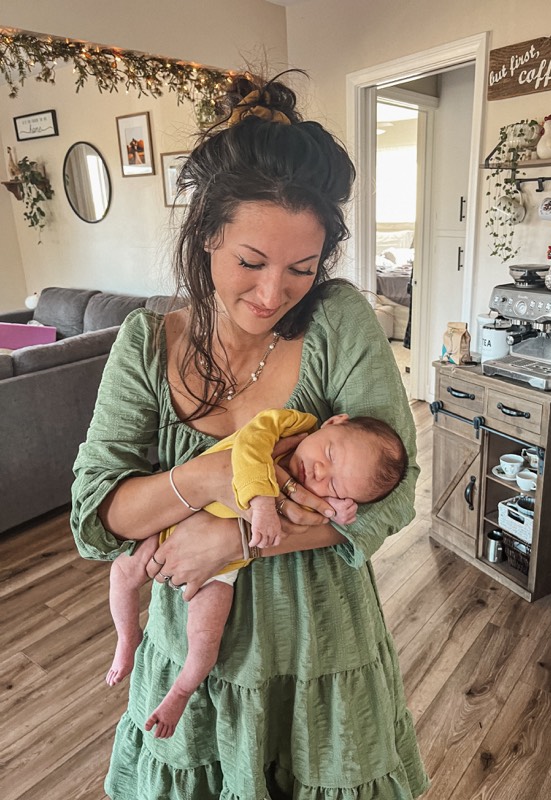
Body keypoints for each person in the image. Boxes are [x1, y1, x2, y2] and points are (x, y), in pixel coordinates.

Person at [71, 70, 429, 800]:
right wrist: (212, 478)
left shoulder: (339, 324)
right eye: (251, 263)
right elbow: (98, 521)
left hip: (323, 656)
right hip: (190, 663)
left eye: (302, 268)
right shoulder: (143, 346)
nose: (273, 295)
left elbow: (392, 498)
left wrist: (231, 538)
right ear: (206, 235)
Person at [106, 408, 408, 739]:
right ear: (334, 421)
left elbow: (311, 521)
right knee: (123, 574)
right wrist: (263, 503)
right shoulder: (292, 424)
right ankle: (127, 636)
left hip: (223, 567)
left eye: (335, 483)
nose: (320, 472)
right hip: (173, 514)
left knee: (206, 637)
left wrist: (335, 511)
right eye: (330, 452)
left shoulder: (317, 495)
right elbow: (252, 442)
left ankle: (179, 693)